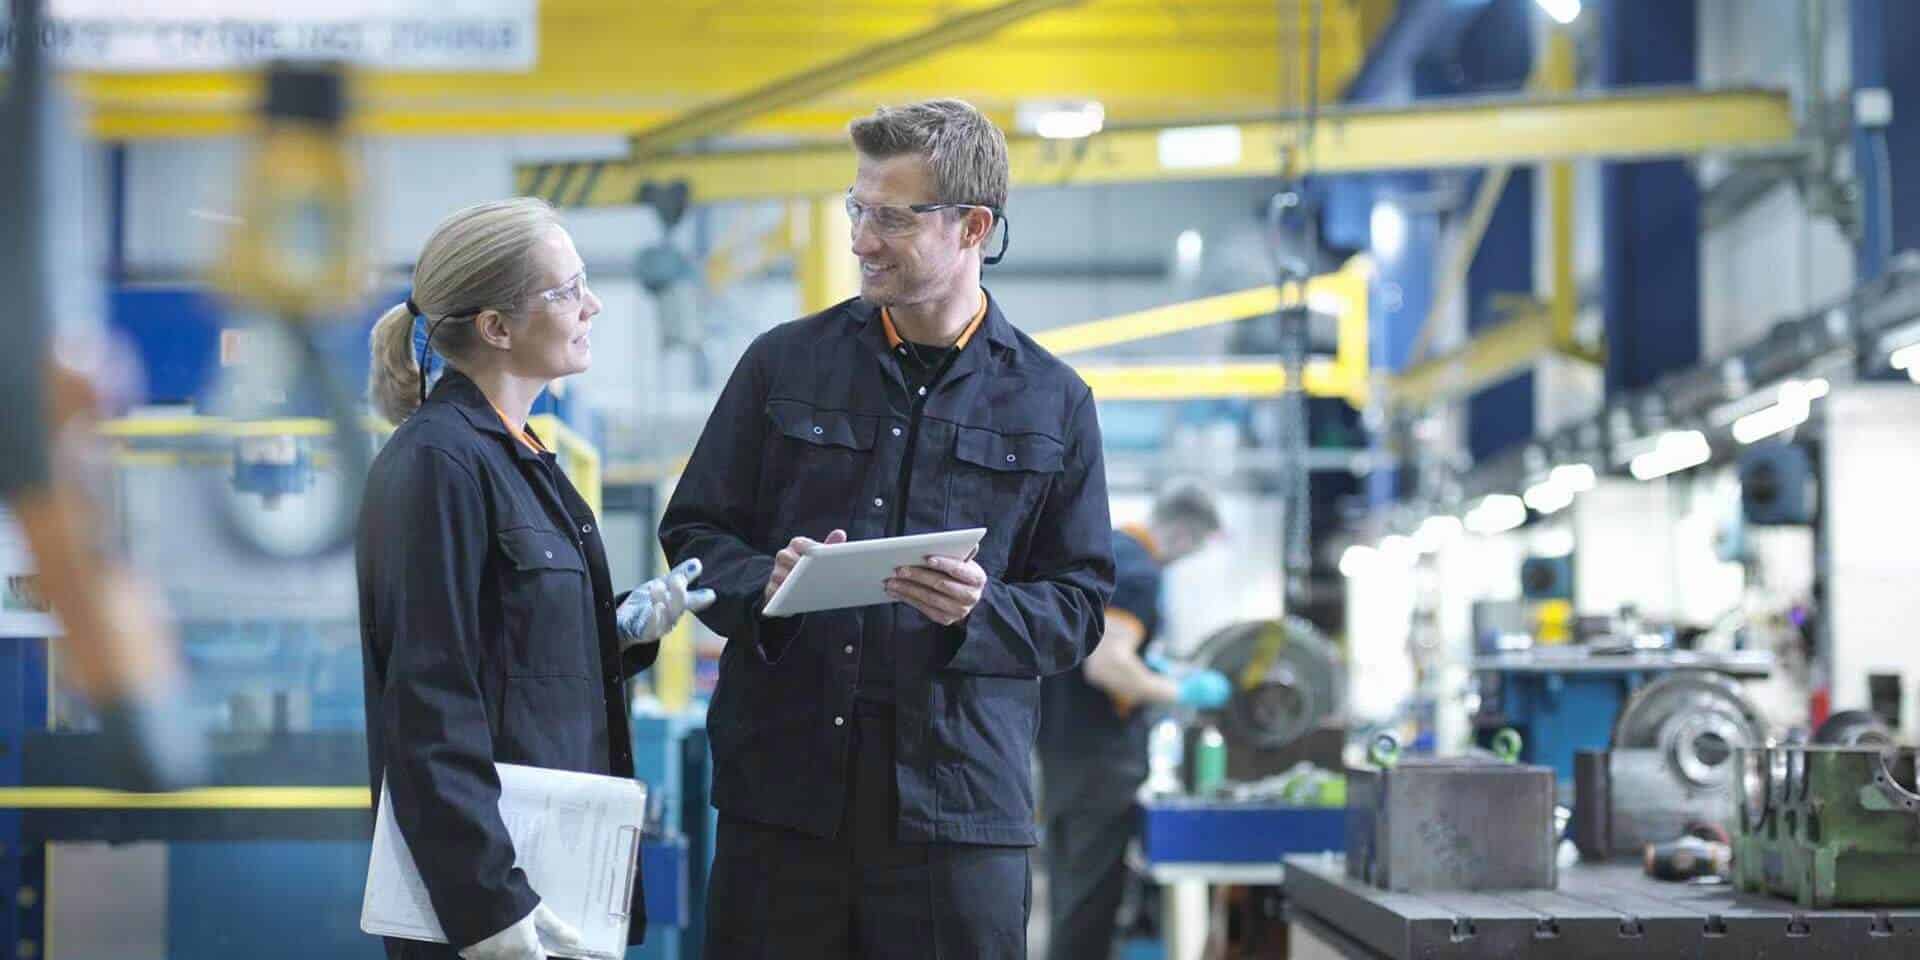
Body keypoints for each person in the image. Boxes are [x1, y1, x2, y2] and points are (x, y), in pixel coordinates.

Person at [660, 99, 1115, 958]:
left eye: (893, 218)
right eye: (858, 210)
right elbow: (695, 535)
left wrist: (981, 608)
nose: (863, 240)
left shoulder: (1053, 403)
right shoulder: (782, 366)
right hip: (786, 806)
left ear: (973, 225)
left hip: (956, 816)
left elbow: (1080, 607)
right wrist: (770, 583)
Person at [358, 197, 711, 960]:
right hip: (491, 903)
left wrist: (613, 632)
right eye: (567, 288)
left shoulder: (523, 460)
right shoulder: (439, 465)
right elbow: (429, 704)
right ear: (497, 327)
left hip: (550, 883)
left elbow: (505, 659)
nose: (593, 304)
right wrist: (486, 906)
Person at [1037, 482, 1231, 960]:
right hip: (1100, 764)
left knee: (1071, 898)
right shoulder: (1141, 571)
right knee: (1088, 909)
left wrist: (1154, 667)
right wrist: (1181, 692)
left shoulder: (1106, 551)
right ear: (1185, 534)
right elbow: (1107, 666)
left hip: (1063, 753)